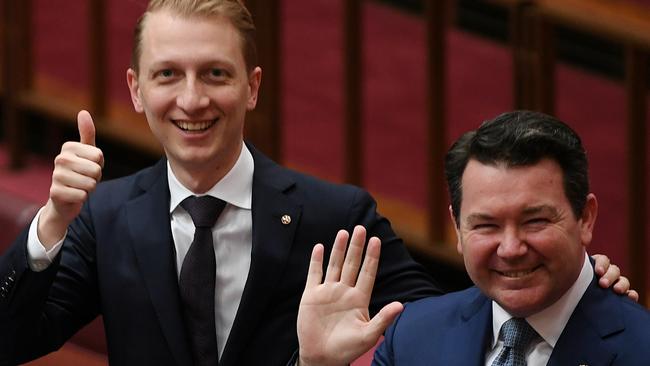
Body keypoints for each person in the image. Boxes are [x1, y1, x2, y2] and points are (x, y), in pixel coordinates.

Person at [0, 0, 629, 364]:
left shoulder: (334, 213)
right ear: (136, 91)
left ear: (252, 86)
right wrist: (49, 224)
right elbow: (12, 339)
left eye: (216, 74)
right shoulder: (105, 216)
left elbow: (456, 320)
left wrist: (572, 283)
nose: (192, 99)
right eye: (168, 75)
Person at [296, 110, 649, 366]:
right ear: (457, 228)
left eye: (536, 221)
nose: (511, 249)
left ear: (585, 218)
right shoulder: (416, 336)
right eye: (486, 226)